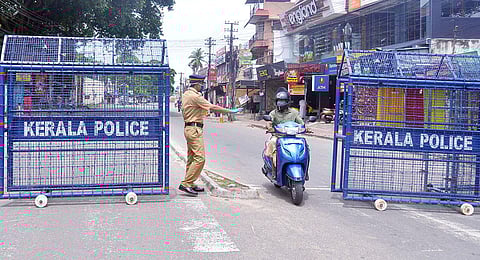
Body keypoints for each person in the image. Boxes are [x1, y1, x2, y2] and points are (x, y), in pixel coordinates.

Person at [179, 74, 242, 196]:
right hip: (194, 129)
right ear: (197, 84)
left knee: (192, 157)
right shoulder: (195, 96)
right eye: (201, 84)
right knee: (200, 158)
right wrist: (230, 111)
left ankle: (190, 183)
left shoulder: (186, 94)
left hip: (189, 128)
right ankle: (186, 183)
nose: (202, 86)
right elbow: (212, 107)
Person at [264, 87, 304, 178]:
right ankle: (274, 171)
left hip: (292, 137)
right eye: (278, 100)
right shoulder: (273, 113)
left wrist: (306, 128)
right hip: (278, 137)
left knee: (305, 147)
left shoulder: (294, 112)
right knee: (272, 143)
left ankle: (305, 171)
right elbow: (269, 122)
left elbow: (301, 123)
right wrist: (269, 127)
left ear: (287, 101)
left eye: (283, 100)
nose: (280, 103)